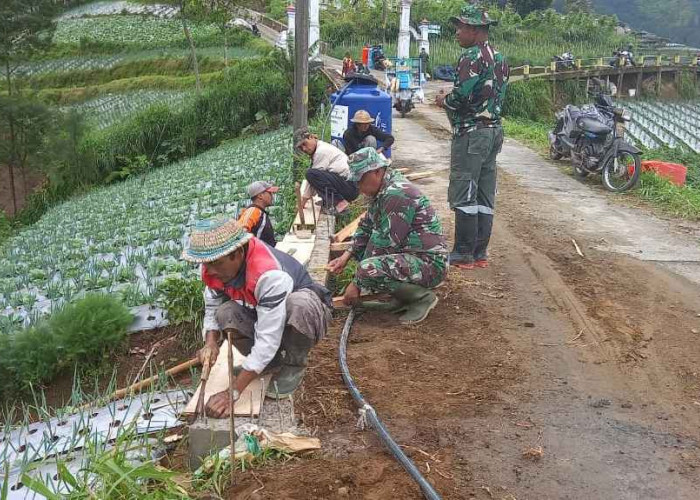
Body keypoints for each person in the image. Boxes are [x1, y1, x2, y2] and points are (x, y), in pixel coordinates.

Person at [182, 217, 332, 418]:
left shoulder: (269, 274)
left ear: (238, 253)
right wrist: (210, 342)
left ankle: (294, 364)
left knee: (299, 305)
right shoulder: (214, 268)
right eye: (206, 264)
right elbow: (212, 305)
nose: (210, 271)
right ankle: (269, 365)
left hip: (303, 315)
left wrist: (233, 392)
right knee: (224, 313)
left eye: (216, 263)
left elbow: (267, 339)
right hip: (260, 311)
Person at [327, 148, 447, 324]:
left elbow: (384, 243)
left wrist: (357, 283)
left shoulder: (396, 193)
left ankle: (422, 298)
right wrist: (345, 257)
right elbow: (366, 227)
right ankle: (403, 296)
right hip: (411, 257)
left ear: (377, 171)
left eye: (361, 179)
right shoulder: (381, 191)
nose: (358, 186)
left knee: (368, 269)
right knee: (363, 258)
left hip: (429, 264)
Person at [435, 4, 508, 270]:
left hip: (472, 133)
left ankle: (463, 252)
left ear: (476, 30)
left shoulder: (471, 57)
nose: (457, 32)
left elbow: (462, 97)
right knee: (485, 191)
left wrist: (444, 99)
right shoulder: (499, 58)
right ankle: (480, 252)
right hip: (494, 132)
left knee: (464, 187)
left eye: (461, 27)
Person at [296, 133, 359, 214]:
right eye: (301, 148)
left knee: (310, 174)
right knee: (314, 174)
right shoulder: (319, 148)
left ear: (311, 137)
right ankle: (328, 202)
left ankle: (340, 203)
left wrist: (302, 203)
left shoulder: (321, 151)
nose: (304, 149)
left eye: (304, 144)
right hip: (347, 185)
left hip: (350, 187)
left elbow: (312, 178)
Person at [237, 181, 278, 248]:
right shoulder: (253, 211)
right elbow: (240, 231)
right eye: (270, 193)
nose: (272, 196)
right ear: (260, 196)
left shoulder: (260, 211)